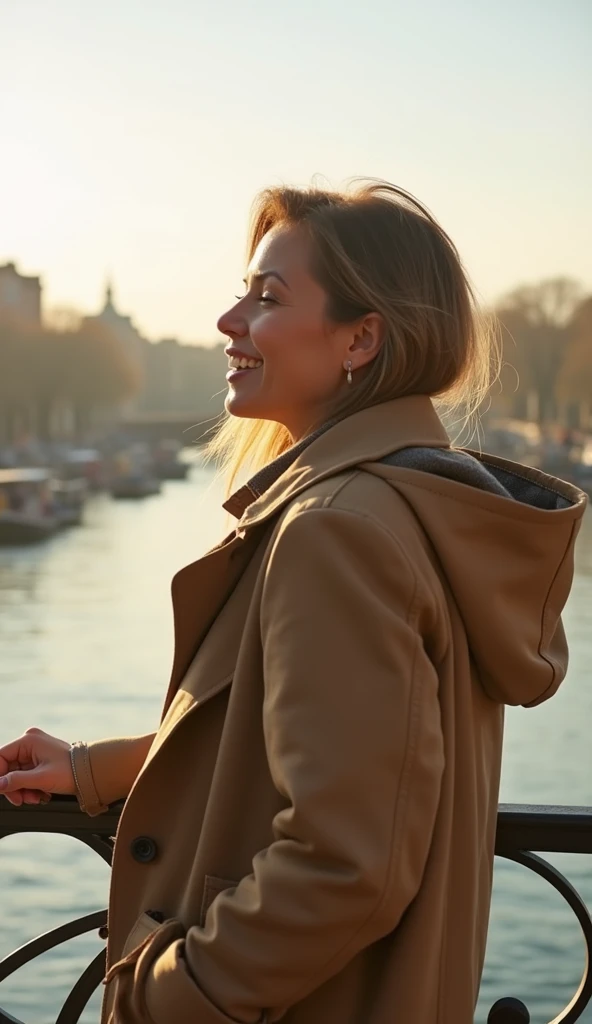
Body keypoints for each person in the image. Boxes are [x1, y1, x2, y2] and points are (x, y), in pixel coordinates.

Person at [0, 181, 586, 1024]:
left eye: (266, 297)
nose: (228, 322)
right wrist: (99, 770)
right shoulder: (414, 503)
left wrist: (167, 997)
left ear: (360, 339)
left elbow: (348, 862)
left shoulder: (336, 531)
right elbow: (305, 748)